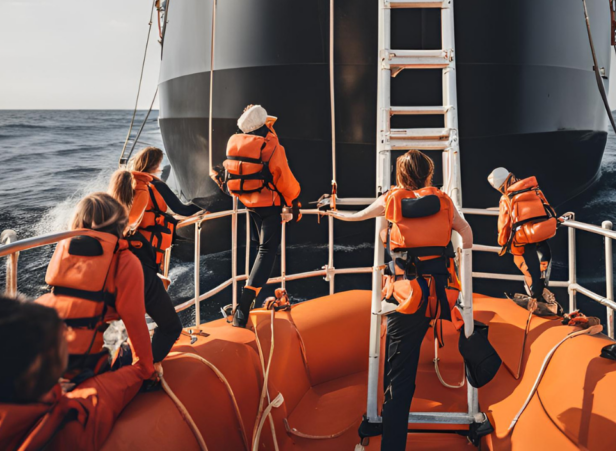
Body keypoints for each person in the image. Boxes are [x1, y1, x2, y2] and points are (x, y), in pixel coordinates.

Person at [327, 150, 472, 451]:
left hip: (406, 299)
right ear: (430, 175)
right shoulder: (445, 201)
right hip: (439, 297)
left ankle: (392, 444)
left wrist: (334, 212)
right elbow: (466, 235)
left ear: (401, 176)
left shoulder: (390, 200)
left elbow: (356, 216)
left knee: (398, 376)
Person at [34, 193, 155, 383]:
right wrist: (147, 370)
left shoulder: (64, 250)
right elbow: (135, 322)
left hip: (37, 357)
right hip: (77, 372)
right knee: (127, 353)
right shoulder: (125, 261)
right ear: (120, 224)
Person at [0, 296, 145, 451]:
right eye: (62, 339)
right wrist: (139, 371)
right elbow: (101, 398)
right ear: (32, 375)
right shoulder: (63, 429)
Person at [210, 104, 302, 328]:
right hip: (270, 206)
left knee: (255, 247)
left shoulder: (235, 141)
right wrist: (294, 203)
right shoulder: (271, 146)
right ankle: (244, 306)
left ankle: (245, 301)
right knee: (266, 252)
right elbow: (283, 177)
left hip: (248, 203)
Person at [108, 162, 195, 364]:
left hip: (114, 278)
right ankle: (144, 370)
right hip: (140, 276)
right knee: (170, 327)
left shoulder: (105, 217)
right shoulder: (132, 217)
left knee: (124, 328)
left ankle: (123, 366)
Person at [488, 167, 558, 308]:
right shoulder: (533, 189)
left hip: (525, 238)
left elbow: (504, 223)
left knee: (528, 266)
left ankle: (536, 298)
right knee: (543, 262)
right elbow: (548, 208)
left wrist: (502, 242)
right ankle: (544, 290)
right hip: (542, 231)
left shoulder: (506, 198)